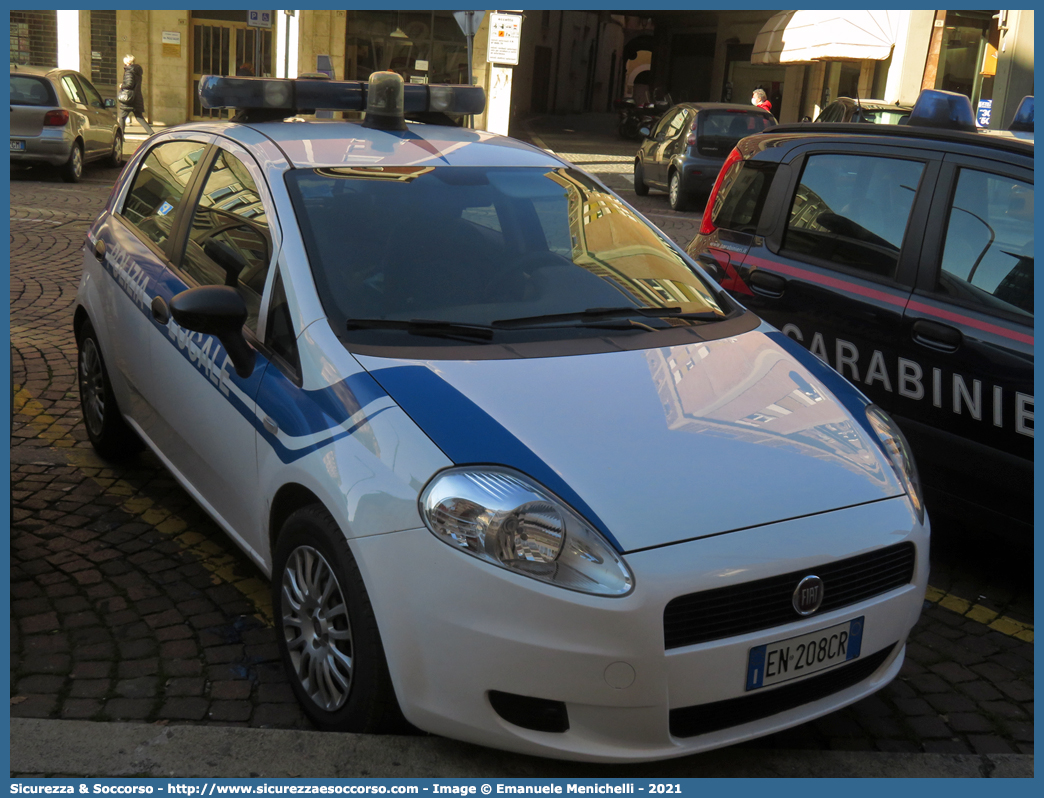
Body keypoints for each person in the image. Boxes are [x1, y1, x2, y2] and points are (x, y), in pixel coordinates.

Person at [117, 54, 154, 136]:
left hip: (129, 98)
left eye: (125, 63)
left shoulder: (129, 71)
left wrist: (122, 86)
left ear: (128, 62)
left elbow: (129, 84)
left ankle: (120, 136)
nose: (125, 64)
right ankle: (151, 133)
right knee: (139, 117)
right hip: (136, 97)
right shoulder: (137, 71)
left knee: (122, 117)